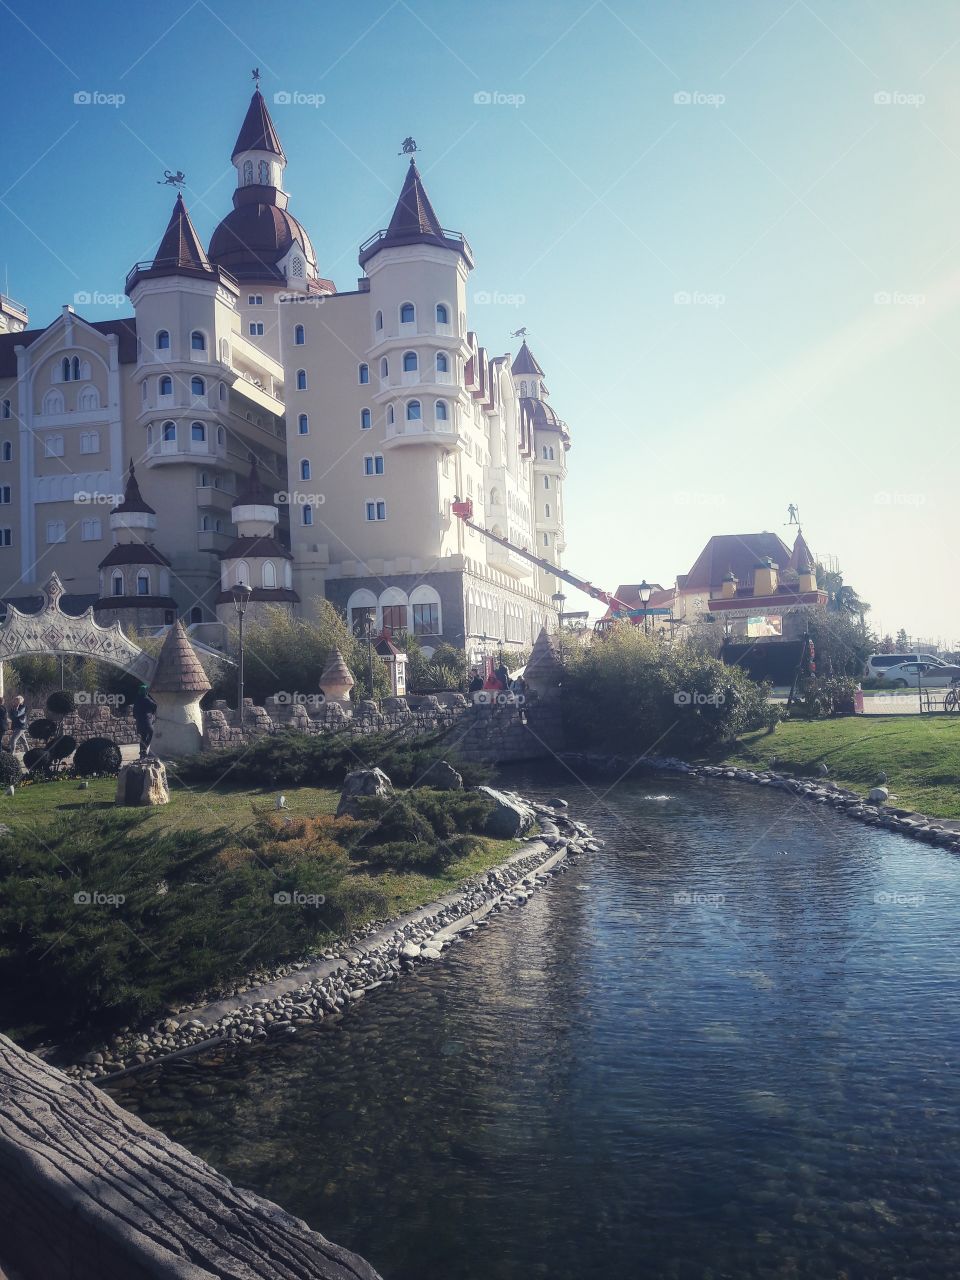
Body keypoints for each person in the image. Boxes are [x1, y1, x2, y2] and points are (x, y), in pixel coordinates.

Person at [132, 684, 158, 759]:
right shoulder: (146, 699)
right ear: (145, 692)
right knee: (151, 733)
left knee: (143, 737)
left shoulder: (137, 700)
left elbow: (134, 713)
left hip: (139, 723)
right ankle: (144, 749)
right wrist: (152, 713)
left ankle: (142, 754)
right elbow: (155, 705)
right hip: (147, 722)